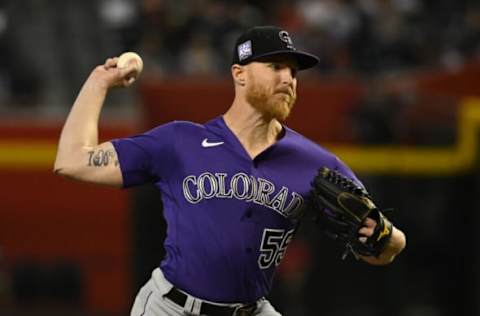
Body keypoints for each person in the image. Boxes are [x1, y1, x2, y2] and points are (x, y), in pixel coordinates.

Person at [54, 26, 406, 316]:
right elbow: (72, 161)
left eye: (294, 71)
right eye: (275, 66)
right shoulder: (180, 141)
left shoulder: (316, 164)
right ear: (239, 74)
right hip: (172, 308)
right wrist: (99, 82)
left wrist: (385, 238)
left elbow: (385, 244)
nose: (288, 78)